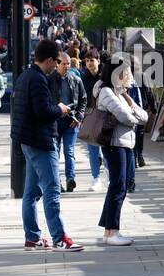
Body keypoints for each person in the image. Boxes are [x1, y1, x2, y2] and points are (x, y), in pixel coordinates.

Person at [11, 39, 82, 251]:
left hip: (28, 140)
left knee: (31, 192)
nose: (57, 65)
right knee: (52, 189)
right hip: (41, 141)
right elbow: (43, 112)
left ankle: (32, 237)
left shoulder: (26, 76)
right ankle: (60, 237)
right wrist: (60, 109)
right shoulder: (39, 79)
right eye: (57, 61)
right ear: (50, 60)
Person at [94, 59, 147, 245]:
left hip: (125, 143)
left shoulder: (121, 93)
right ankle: (112, 231)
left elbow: (144, 116)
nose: (127, 76)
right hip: (114, 144)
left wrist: (130, 101)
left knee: (118, 186)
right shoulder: (106, 92)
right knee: (118, 186)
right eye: (124, 72)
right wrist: (134, 116)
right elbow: (125, 117)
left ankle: (108, 229)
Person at [56, 48, 86, 191]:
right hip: (54, 122)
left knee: (69, 151)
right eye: (64, 63)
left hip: (71, 121)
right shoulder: (50, 80)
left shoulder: (76, 79)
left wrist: (79, 116)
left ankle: (70, 179)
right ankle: (57, 181)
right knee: (54, 153)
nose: (67, 66)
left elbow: (83, 99)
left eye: (68, 64)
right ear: (57, 64)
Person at [79, 48, 106, 190]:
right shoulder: (83, 78)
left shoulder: (106, 76)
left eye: (92, 60)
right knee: (92, 148)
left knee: (108, 146)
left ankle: (108, 173)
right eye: (87, 61)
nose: (89, 63)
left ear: (98, 61)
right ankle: (96, 178)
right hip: (90, 115)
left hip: (106, 114)